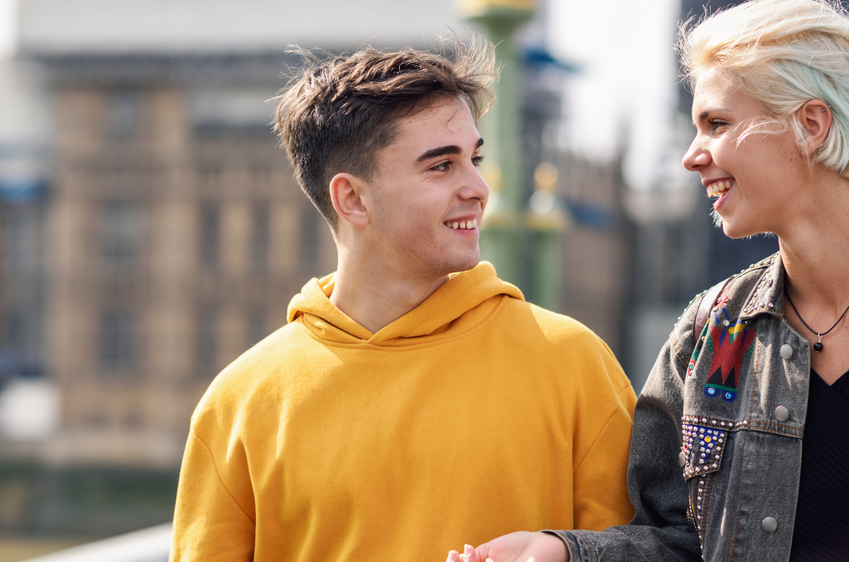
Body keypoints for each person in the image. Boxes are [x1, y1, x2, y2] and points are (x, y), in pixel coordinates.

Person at [168, 38, 637, 561]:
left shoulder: (573, 364)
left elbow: (647, 549)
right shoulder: (239, 402)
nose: (479, 187)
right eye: (442, 166)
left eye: (474, 158)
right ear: (352, 198)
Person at [447, 0, 849, 561]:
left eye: (717, 123)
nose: (691, 157)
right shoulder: (711, 333)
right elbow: (679, 541)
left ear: (810, 124)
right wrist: (563, 553)